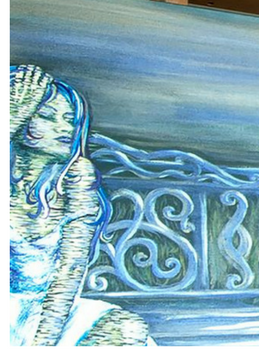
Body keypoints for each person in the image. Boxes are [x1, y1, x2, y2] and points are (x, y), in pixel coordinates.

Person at [10, 65, 152, 347]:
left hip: (49, 310)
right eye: (47, 116)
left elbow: (68, 275)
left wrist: (43, 344)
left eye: (70, 119)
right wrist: (11, 116)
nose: (65, 129)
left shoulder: (75, 181)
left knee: (128, 330)